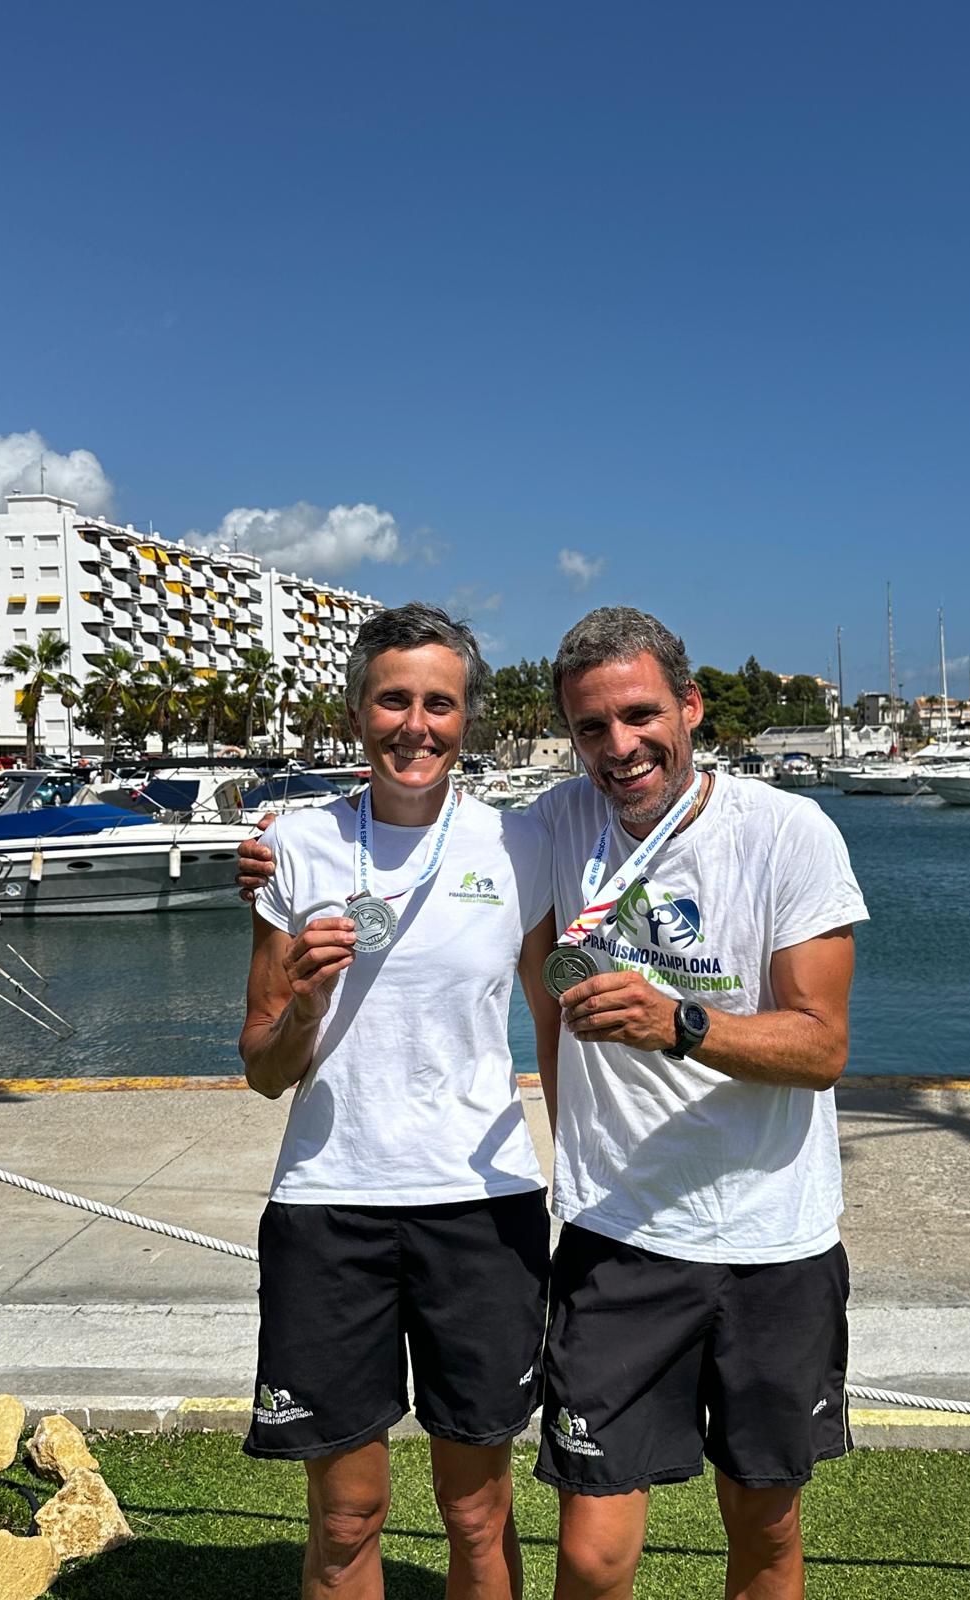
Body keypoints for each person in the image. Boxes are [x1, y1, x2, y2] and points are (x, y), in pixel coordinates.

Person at [241, 605, 868, 1600]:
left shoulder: (765, 832)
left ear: (691, 707)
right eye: (591, 728)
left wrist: (681, 1023)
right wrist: (285, 893)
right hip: (597, 1232)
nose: (619, 747)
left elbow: (822, 1044)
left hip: (739, 1238)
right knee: (553, 1548)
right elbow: (280, 1041)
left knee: (755, 1526)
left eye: (640, 716)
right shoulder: (504, 833)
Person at [238, 602, 556, 1600]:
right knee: (346, 1515)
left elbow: (557, 1020)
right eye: (392, 699)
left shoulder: (522, 847)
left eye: (438, 703)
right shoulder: (295, 846)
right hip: (330, 1204)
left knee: (477, 1512)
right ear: (356, 711)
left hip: (483, 1204)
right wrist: (306, 1001)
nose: (414, 724)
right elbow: (261, 1063)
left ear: (468, 717)